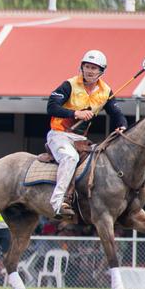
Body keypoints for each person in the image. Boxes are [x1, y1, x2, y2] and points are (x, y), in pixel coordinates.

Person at [47, 49, 126, 219]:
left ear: (101, 71)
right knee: (70, 158)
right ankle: (58, 202)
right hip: (59, 134)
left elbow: (116, 113)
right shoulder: (69, 85)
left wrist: (121, 126)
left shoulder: (106, 91)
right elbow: (51, 107)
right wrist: (75, 113)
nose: (90, 71)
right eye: (87, 66)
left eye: (94, 68)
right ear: (81, 67)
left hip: (81, 140)